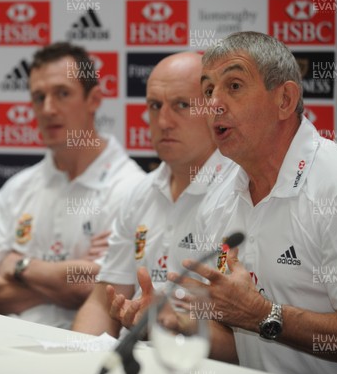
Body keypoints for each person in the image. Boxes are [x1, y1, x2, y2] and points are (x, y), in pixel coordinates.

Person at [177, 31, 337, 374]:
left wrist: (264, 315)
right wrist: (176, 325)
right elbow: (239, 341)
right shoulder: (218, 195)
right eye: (208, 90)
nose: (213, 103)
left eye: (233, 85)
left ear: (285, 100)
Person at [0, 42, 145, 329]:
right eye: (39, 97)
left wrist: (18, 265)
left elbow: (101, 290)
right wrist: (64, 281)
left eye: (62, 94)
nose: (48, 109)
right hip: (6, 351)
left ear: (94, 99)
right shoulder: (18, 188)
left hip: (83, 360)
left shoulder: (131, 188)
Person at [72, 52, 236, 337]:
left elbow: (243, 342)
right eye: (155, 106)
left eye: (182, 105)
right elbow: (102, 301)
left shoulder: (239, 193)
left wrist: (168, 323)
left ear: (214, 108)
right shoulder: (140, 191)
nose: (163, 121)